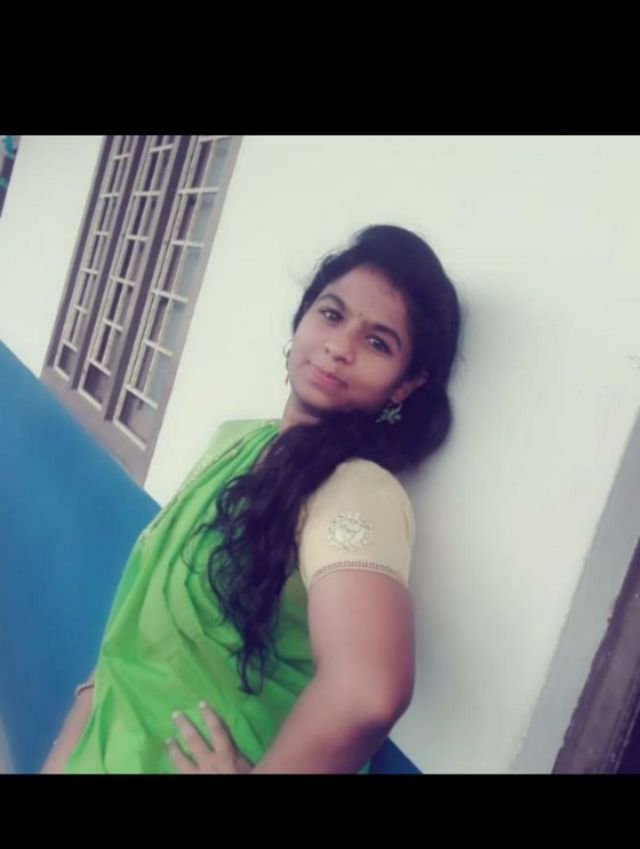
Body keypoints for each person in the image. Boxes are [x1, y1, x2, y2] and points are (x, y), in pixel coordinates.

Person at [41, 224, 461, 774]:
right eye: (331, 315)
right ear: (303, 318)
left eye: (378, 343)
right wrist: (77, 729)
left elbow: (367, 689)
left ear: (404, 385)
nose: (339, 347)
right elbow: (135, 635)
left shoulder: (354, 490)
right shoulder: (237, 441)